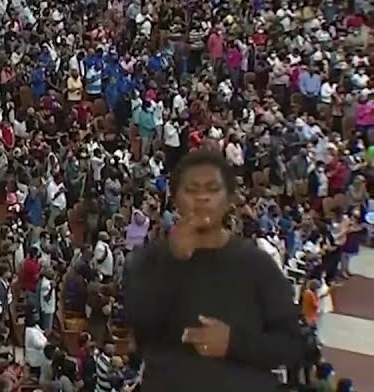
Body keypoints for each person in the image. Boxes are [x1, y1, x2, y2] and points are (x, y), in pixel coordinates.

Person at [124, 151, 304, 392]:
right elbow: (141, 331)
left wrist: (233, 343)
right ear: (175, 199)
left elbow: (291, 345)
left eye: (212, 189)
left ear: (230, 198)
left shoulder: (258, 264)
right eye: (192, 190)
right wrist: (174, 260)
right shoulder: (149, 260)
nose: (202, 198)